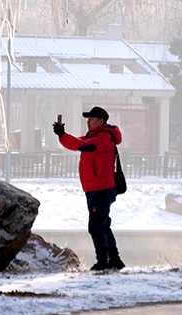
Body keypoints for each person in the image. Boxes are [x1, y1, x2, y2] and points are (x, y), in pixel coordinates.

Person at [53, 106, 124, 271]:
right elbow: (76, 143)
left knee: (96, 226)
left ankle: (103, 262)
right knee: (102, 225)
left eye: (91, 119)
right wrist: (62, 135)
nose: (88, 122)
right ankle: (114, 260)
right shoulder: (93, 136)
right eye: (88, 119)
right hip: (96, 188)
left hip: (101, 189)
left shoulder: (104, 137)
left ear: (101, 121)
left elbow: (82, 145)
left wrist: (63, 134)